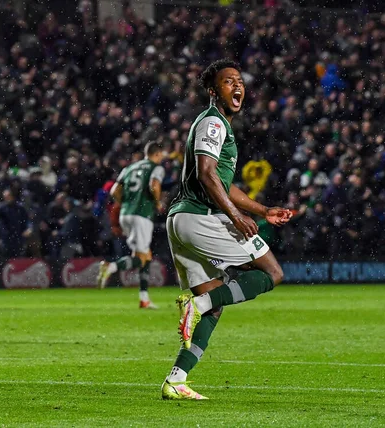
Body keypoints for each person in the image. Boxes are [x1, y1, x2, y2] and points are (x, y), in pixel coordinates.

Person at [161, 59, 292, 400]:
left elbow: (221, 181)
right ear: (213, 91)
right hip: (200, 217)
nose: (236, 86)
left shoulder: (217, 126)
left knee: (215, 300)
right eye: (227, 81)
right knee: (272, 271)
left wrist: (263, 210)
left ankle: (177, 379)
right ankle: (199, 305)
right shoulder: (214, 124)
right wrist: (235, 217)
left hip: (181, 221)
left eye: (239, 81)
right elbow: (207, 174)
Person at [97, 141, 166, 309]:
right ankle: (110, 267)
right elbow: (154, 185)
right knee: (141, 257)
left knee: (145, 255)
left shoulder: (129, 168)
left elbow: (114, 191)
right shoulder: (156, 168)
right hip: (142, 215)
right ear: (157, 154)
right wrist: (157, 202)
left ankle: (144, 298)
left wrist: (127, 203)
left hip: (125, 214)